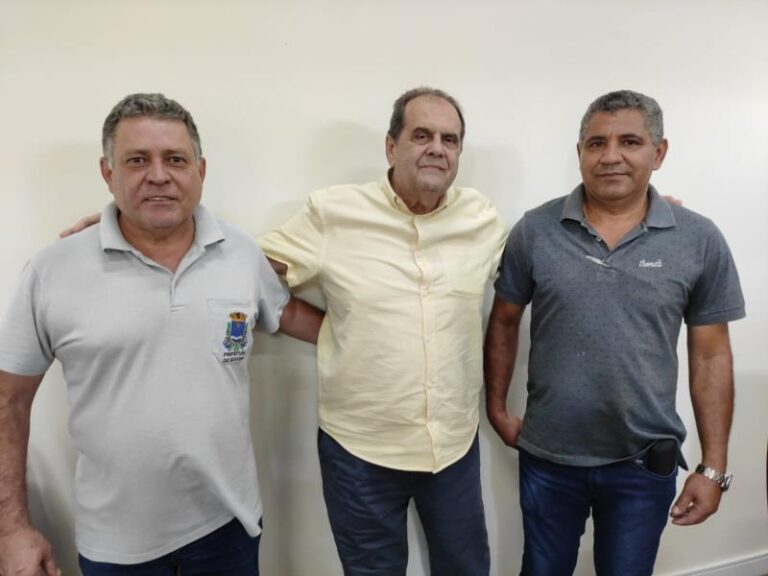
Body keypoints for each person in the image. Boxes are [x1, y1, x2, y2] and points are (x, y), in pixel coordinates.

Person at [0, 93, 322, 576]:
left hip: (229, 528)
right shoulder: (53, 270)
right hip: (115, 546)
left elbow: (289, 313)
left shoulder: (239, 253)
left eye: (175, 159)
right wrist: (10, 529)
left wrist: (383, 334)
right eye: (137, 160)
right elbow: (8, 400)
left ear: (200, 170)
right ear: (107, 172)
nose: (158, 175)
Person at [484, 89, 745, 575]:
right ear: (579, 152)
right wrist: (497, 409)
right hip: (549, 458)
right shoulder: (535, 230)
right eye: (596, 143)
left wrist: (713, 468)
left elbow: (711, 355)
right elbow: (503, 320)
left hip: (643, 465)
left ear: (658, 152)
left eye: (629, 141)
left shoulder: (698, 239)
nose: (610, 156)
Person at [258, 87, 508, 575]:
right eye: (422, 135)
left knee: (467, 569)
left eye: (450, 140)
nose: (437, 148)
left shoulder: (481, 218)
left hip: (452, 446)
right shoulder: (333, 213)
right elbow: (246, 271)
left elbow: (541, 263)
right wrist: (325, 328)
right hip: (359, 449)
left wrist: (630, 216)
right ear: (391, 147)